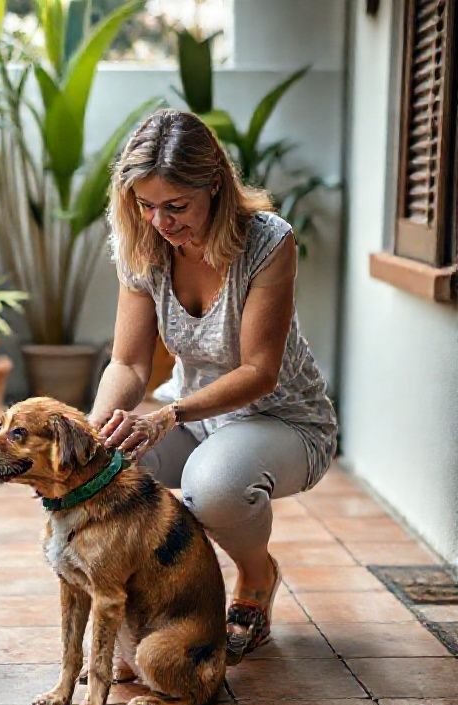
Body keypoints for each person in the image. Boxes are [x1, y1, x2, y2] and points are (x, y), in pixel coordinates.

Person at [88, 108, 338, 665]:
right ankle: (157, 608)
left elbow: (258, 371)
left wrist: (168, 415)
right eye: (146, 205)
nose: (160, 222)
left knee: (214, 487)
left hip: (282, 419)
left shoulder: (268, 243)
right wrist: (93, 432)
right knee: (110, 474)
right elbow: (128, 364)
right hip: (197, 415)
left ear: (216, 186)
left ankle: (255, 576)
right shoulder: (144, 244)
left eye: (176, 206)